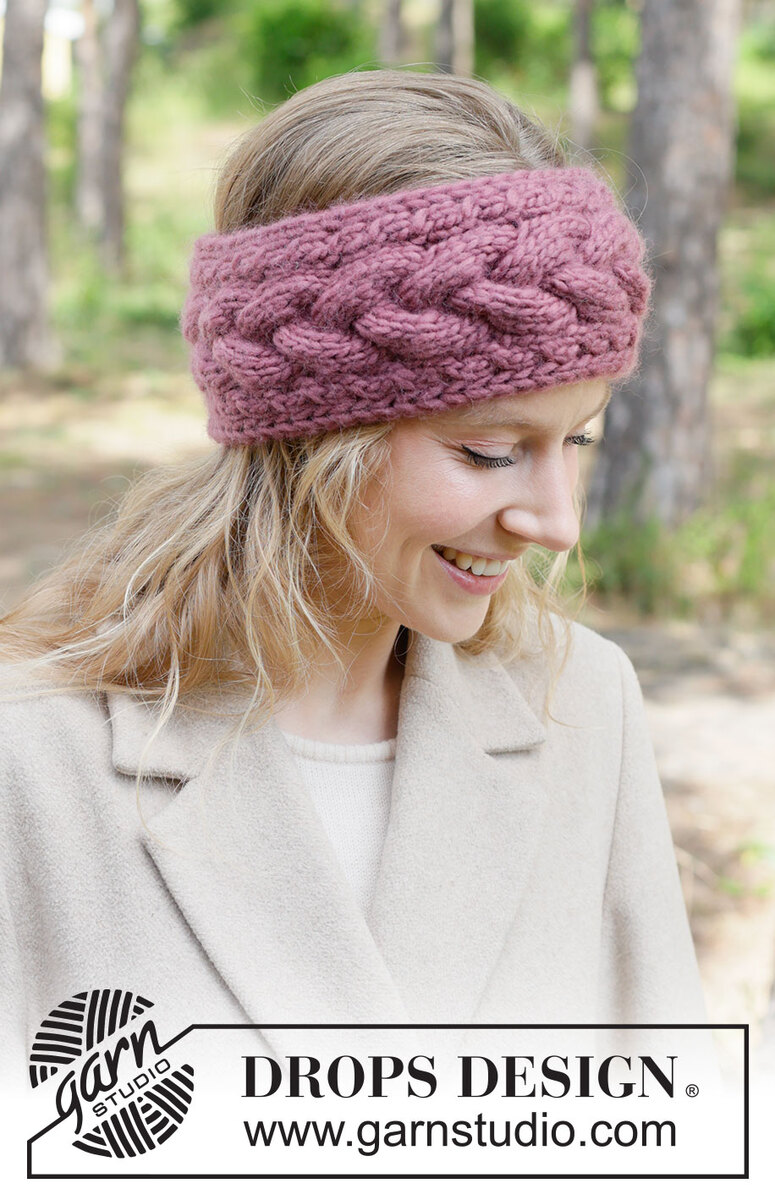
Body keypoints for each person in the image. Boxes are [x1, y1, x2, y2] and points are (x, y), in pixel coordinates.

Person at [0, 70, 705, 1089]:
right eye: (489, 451)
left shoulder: (584, 706)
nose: (558, 523)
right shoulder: (34, 758)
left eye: (577, 440)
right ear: (313, 442)